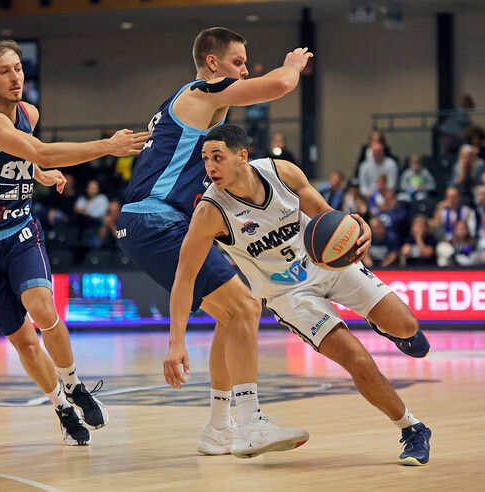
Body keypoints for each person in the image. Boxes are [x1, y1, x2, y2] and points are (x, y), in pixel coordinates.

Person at [166, 124, 432, 465]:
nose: (210, 167)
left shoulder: (282, 173)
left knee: (407, 325)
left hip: (326, 266)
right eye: (205, 159)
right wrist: (176, 341)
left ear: (242, 156)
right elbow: (184, 277)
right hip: (288, 296)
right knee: (357, 359)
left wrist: (358, 227)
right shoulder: (210, 212)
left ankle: (388, 327)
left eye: (217, 157)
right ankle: (412, 428)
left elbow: (326, 216)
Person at [117, 27, 315, 458]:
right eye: (238, 62)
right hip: (156, 220)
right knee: (244, 306)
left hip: (153, 222)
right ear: (213, 64)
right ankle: (249, 423)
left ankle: (219, 428)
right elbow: (279, 85)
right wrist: (294, 64)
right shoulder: (206, 93)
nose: (244, 70)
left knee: (233, 315)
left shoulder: (191, 102)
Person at [0, 39, 149, 446]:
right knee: (24, 341)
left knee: (44, 310)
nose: (15, 77)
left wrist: (39, 175)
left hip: (20, 230)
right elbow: (37, 150)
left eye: (19, 68)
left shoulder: (29, 112)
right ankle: (60, 406)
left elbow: (24, 157)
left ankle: (75, 384)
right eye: (5, 71)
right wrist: (108, 146)